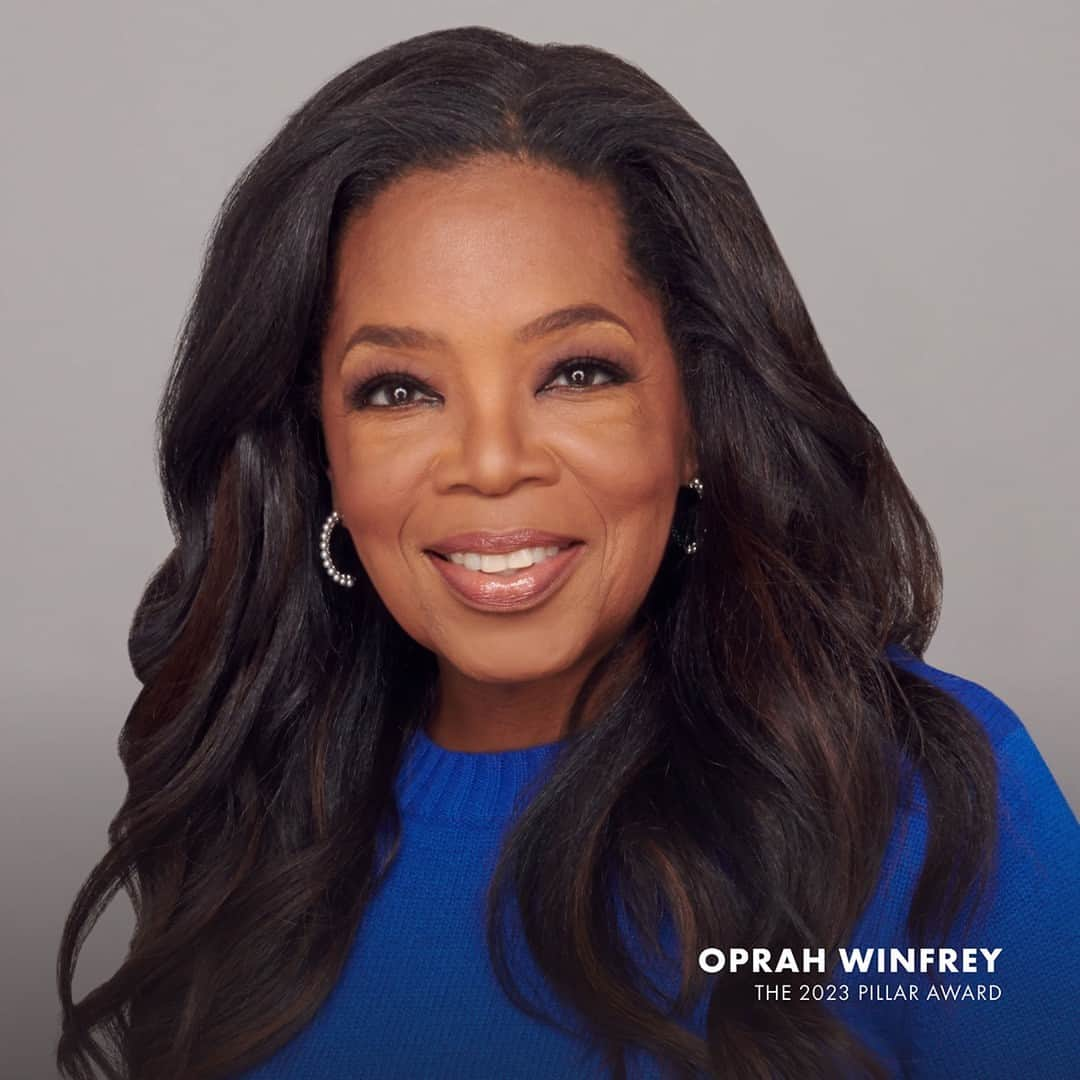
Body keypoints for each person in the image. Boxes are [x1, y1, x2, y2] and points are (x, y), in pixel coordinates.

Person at [56, 24, 1079, 1080]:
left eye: (578, 373)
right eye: (398, 390)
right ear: (317, 451)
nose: (491, 464)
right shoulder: (249, 827)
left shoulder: (924, 806)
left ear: (694, 416)